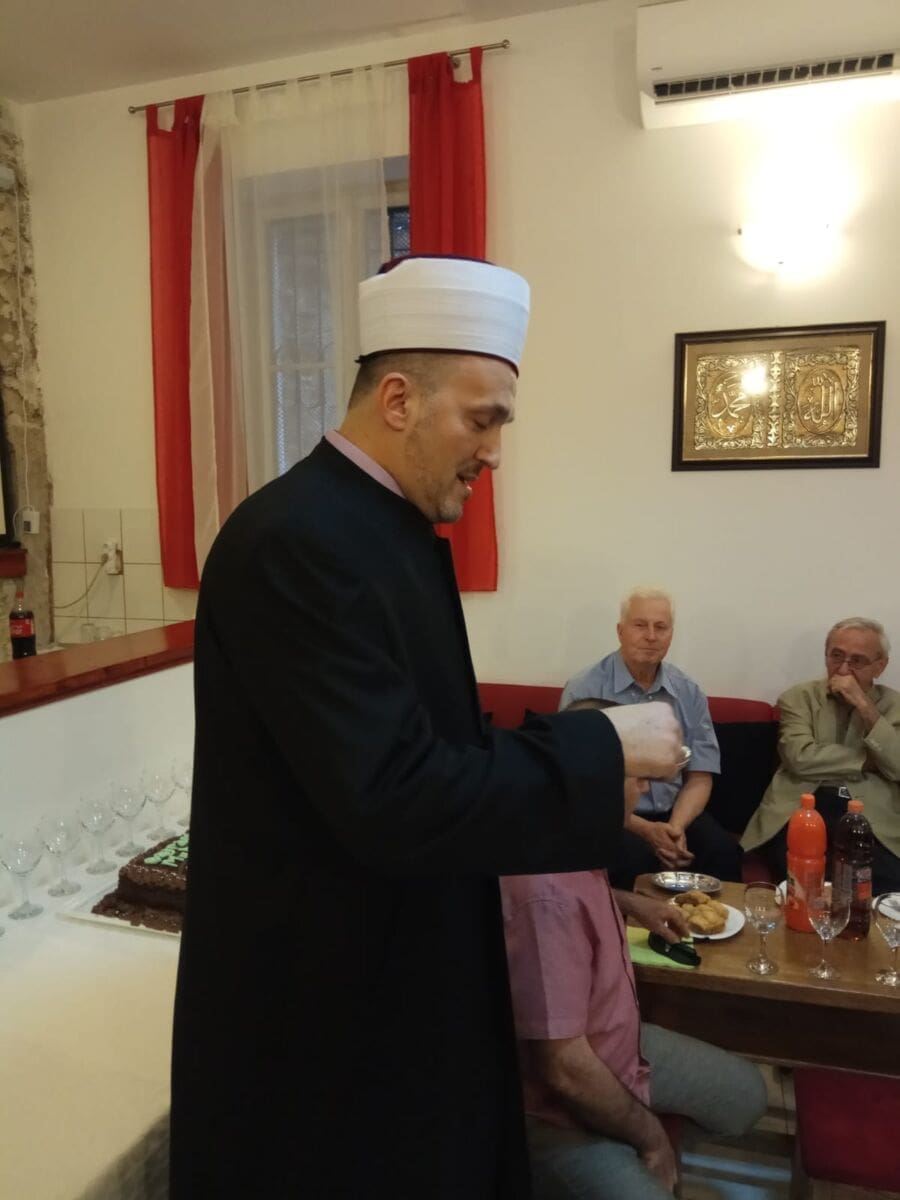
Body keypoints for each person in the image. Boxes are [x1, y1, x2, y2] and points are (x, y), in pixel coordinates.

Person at [169, 256, 684, 1199]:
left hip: (395, 974)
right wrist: (601, 744)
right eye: (483, 419)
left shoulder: (383, 529)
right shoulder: (297, 540)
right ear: (399, 399)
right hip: (327, 1017)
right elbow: (395, 793)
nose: (495, 451)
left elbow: (439, 756)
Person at [501, 701, 767, 1200]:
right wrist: (649, 1137)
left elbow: (577, 896)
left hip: (619, 1046)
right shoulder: (543, 895)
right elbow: (563, 1069)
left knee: (747, 1097)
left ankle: (624, 1133)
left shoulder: (570, 837)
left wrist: (629, 903)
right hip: (560, 1107)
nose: (645, 789)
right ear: (591, 780)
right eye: (637, 777)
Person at [561, 588, 739, 889]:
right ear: (621, 631)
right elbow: (577, 783)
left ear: (671, 635)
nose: (651, 636)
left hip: (677, 812)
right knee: (634, 858)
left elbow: (700, 775)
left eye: (661, 627)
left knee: (722, 851)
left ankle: (712, 920)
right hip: (613, 815)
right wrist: (646, 830)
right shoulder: (584, 689)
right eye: (640, 625)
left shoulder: (688, 691)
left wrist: (675, 828)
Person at [742, 617, 900, 893]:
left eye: (857, 661)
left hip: (870, 814)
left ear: (880, 665)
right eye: (836, 656)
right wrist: (868, 760)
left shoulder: (895, 706)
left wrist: (864, 706)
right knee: (806, 883)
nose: (843, 669)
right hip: (804, 805)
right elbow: (800, 757)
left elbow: (897, 764)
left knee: (883, 884)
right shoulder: (798, 698)